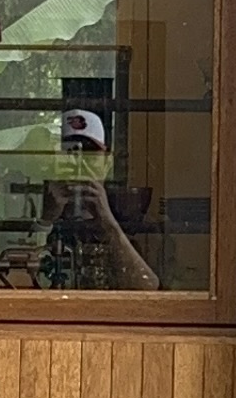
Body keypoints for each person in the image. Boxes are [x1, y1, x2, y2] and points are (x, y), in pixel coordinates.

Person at [40, 106, 159, 289]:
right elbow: (16, 278)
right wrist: (44, 222)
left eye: (89, 152)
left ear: (107, 162)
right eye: (68, 151)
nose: (78, 162)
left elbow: (148, 288)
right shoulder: (32, 212)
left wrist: (108, 223)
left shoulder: (130, 218)